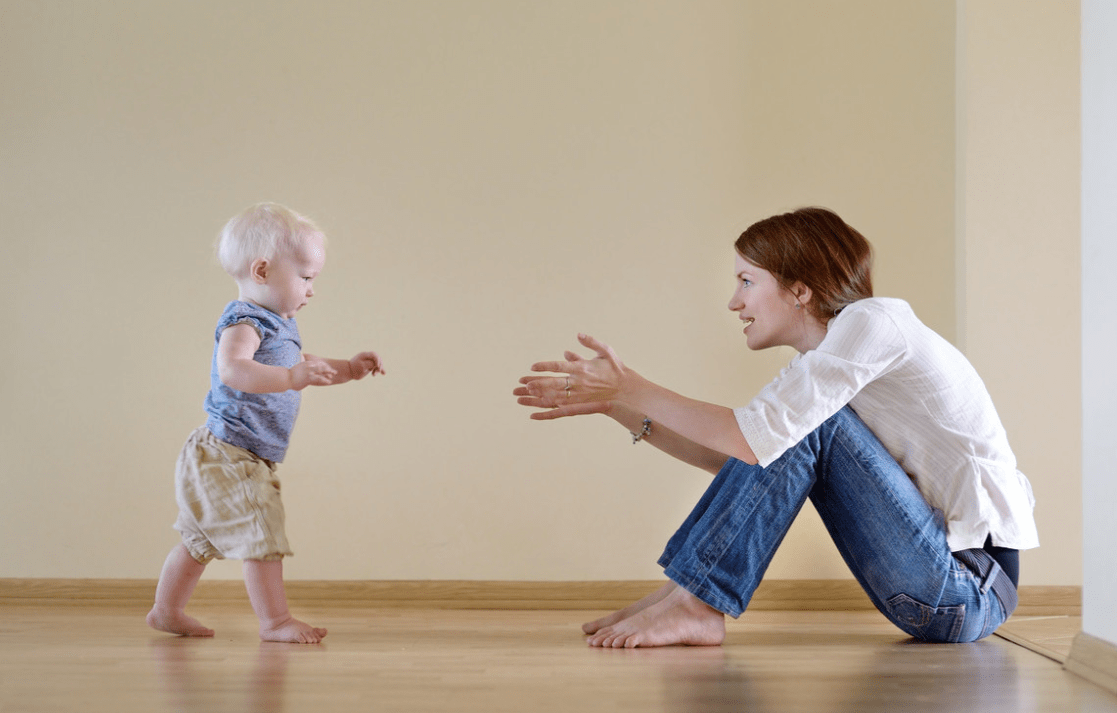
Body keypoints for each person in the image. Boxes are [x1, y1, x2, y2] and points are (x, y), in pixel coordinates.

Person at [514, 207, 1038, 648]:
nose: (734, 301)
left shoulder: (875, 322)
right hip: (933, 588)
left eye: (747, 281)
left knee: (786, 432)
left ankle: (696, 603)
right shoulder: (824, 364)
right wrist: (615, 405)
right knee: (775, 439)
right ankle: (684, 594)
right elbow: (745, 461)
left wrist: (631, 387)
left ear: (800, 290)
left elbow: (753, 441)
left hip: (967, 587)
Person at [147, 203, 386, 644]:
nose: (312, 290)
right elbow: (233, 369)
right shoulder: (245, 321)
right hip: (229, 454)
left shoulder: (281, 324)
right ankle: (274, 621)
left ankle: (166, 610)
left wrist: (348, 368)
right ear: (262, 270)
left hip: (228, 453)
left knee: (200, 541)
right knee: (264, 533)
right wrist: (292, 378)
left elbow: (302, 363)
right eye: (306, 277)